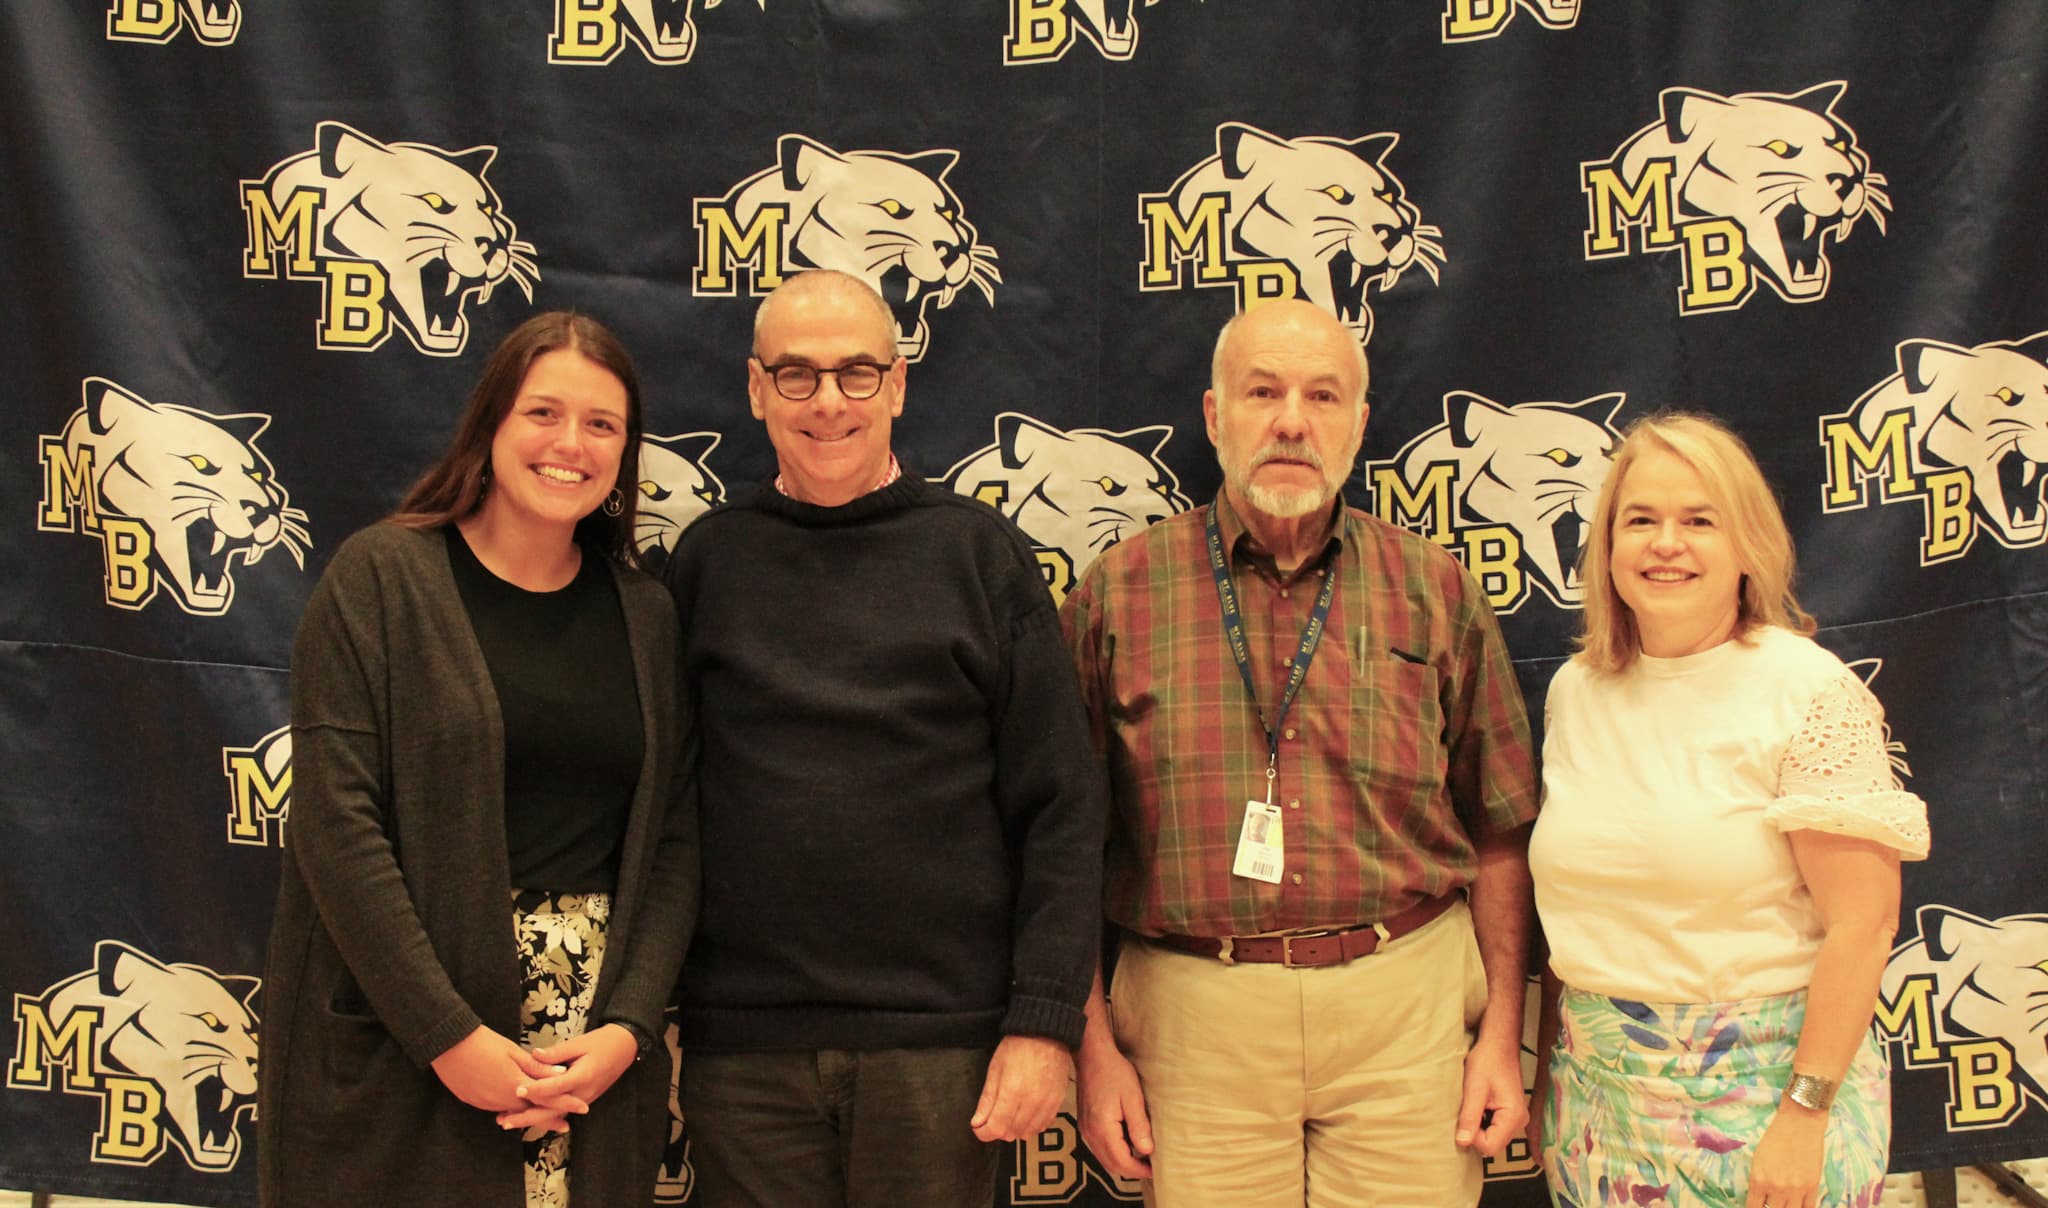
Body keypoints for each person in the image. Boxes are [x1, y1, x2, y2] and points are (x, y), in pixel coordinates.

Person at [1060, 298, 1540, 1207]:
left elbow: (1502, 829)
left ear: (1359, 426)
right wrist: (1092, 1049)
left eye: (1322, 397)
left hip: (1407, 1007)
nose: (1290, 421)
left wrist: (1503, 1032)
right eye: (1262, 391)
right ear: (1213, 415)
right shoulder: (1117, 594)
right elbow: (1060, 846)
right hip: (1196, 1012)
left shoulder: (1431, 587)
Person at [661, 269, 1104, 1208]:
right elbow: (663, 805)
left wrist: (1044, 1022)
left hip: (942, 1048)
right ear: (755, 388)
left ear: (897, 385)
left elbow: (1062, 807)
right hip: (744, 1054)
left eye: (857, 373)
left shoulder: (978, 555)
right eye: (797, 375)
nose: (829, 401)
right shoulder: (707, 561)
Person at [258, 312, 699, 1208]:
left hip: (589, 1068)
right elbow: (337, 828)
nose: (570, 444)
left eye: (602, 424)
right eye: (543, 413)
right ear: (491, 424)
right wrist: (448, 1036)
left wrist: (626, 1028)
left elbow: (677, 843)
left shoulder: (648, 617)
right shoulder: (380, 579)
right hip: (411, 1039)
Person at [1528, 413, 1930, 1208]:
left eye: (1698, 521)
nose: (1665, 543)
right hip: (1600, 1114)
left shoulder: (1808, 690)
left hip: (1766, 1113)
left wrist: (1802, 1116)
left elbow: (1865, 923)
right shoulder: (1576, 691)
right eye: (1640, 520)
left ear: (1747, 546)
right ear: (1607, 546)